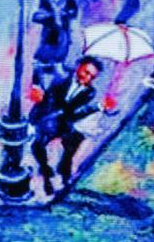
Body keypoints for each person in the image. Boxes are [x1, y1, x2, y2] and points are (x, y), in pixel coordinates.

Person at [29, 56, 106, 197]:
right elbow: (38, 66)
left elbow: (73, 113)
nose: (88, 78)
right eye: (86, 72)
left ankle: (64, 170)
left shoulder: (90, 92)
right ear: (78, 67)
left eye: (92, 77)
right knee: (38, 145)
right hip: (44, 115)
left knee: (75, 139)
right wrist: (36, 86)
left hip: (62, 121)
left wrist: (98, 107)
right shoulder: (61, 73)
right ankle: (46, 175)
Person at [32, 0, 83, 91]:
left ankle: (55, 89)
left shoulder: (69, 1)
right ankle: (38, 87)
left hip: (63, 38)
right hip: (48, 37)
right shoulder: (45, 0)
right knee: (41, 62)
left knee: (59, 65)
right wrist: (50, 15)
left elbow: (73, 14)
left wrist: (61, 15)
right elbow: (36, 16)